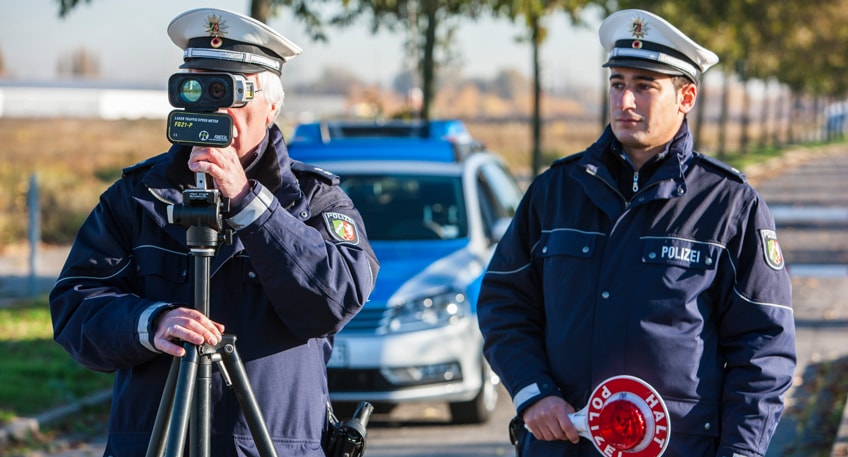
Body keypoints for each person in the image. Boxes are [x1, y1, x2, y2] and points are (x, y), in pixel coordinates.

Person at [50, 7, 379, 457]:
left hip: (271, 444)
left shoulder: (315, 201)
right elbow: (74, 306)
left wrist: (250, 205)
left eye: (231, 91)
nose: (215, 107)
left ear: (271, 107)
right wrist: (150, 322)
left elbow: (334, 301)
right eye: (198, 89)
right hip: (156, 443)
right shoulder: (136, 197)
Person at [477, 9, 795, 457]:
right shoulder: (555, 191)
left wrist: (741, 452)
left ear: (686, 97)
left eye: (644, 86)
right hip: (563, 445)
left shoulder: (731, 205)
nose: (625, 101)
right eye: (618, 83)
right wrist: (533, 392)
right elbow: (503, 304)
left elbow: (764, 349)